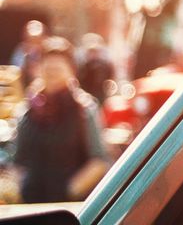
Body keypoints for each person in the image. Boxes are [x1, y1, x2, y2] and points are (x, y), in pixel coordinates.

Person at [13, 37, 111, 203]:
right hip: (30, 207)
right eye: (48, 66)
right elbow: (18, 160)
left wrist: (68, 191)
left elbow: (99, 161)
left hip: (68, 209)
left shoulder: (84, 109)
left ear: (72, 71)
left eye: (58, 67)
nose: (51, 71)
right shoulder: (28, 110)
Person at [76, 33, 115, 105]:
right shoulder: (83, 65)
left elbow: (109, 77)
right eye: (91, 52)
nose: (93, 54)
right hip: (87, 92)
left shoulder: (104, 65)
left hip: (100, 93)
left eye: (95, 51)